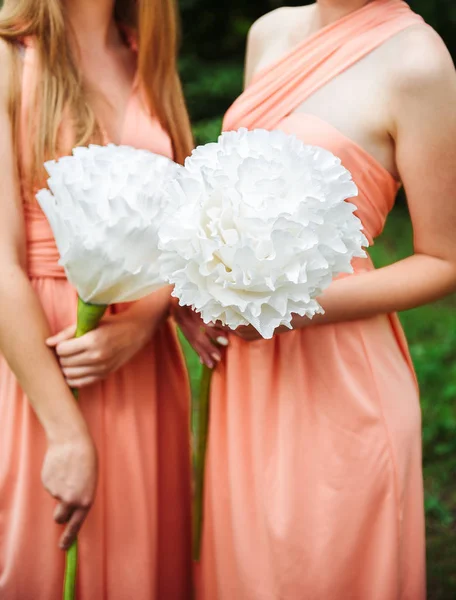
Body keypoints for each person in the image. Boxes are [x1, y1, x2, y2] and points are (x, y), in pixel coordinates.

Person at [187, 1, 456, 598]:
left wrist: (291, 308)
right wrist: (205, 290)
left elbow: (443, 261)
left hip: (341, 375)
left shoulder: (419, 60)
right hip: (246, 376)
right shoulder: (269, 30)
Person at [0, 1, 218, 598]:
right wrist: (65, 432)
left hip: (144, 367)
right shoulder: (9, 57)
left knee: (140, 561)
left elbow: (172, 230)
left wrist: (147, 321)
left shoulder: (147, 61)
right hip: (39, 357)